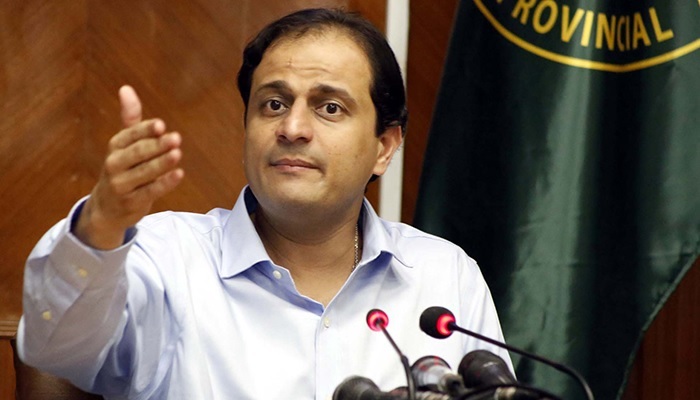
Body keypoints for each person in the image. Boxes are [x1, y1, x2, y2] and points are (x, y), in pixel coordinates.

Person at [18, 8, 512, 400]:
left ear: (384, 147)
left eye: (329, 107)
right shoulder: (164, 258)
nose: (292, 128)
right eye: (273, 104)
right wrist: (102, 224)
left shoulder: (444, 276)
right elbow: (55, 347)